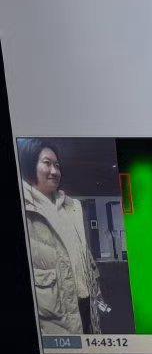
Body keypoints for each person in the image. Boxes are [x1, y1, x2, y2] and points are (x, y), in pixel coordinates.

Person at [18, 139, 108, 334]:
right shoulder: (25, 207)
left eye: (57, 165)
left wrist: (96, 293)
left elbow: (84, 254)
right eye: (47, 163)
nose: (54, 171)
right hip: (54, 319)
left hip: (87, 305)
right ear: (29, 163)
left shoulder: (73, 207)